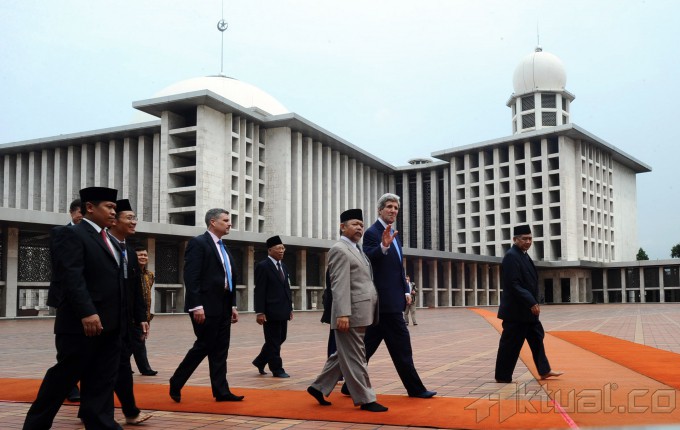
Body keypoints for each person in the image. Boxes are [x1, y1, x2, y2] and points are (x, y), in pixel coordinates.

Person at [24, 187, 124, 430]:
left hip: (110, 324)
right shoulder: (70, 234)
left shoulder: (110, 239)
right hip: (82, 325)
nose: (114, 212)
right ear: (90, 207)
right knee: (63, 377)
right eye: (109, 207)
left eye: (115, 207)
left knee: (101, 379)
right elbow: (71, 277)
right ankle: (35, 425)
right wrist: (86, 312)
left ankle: (101, 425)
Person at [352, 193, 436, 398]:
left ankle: (345, 383)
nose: (393, 210)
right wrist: (383, 246)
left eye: (396, 208)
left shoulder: (393, 233)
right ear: (380, 209)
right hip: (385, 302)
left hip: (392, 301)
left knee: (365, 349)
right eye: (389, 206)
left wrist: (406, 290)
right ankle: (416, 389)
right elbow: (367, 259)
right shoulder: (373, 232)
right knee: (402, 347)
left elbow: (398, 268)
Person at [307, 209, 387, 413]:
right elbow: (339, 284)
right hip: (350, 314)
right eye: (354, 224)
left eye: (361, 224)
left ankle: (319, 387)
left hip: (361, 311)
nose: (359, 227)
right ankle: (366, 399)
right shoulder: (340, 249)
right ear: (343, 227)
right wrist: (342, 314)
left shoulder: (357, 249)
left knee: (346, 352)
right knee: (356, 356)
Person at [169, 208, 244, 403]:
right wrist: (196, 306)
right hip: (205, 306)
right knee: (204, 345)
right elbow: (191, 276)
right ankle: (176, 381)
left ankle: (221, 391)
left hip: (224, 306)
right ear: (213, 222)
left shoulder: (223, 246)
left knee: (221, 349)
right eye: (226, 220)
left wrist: (232, 305)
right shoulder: (198, 243)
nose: (230, 224)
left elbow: (229, 278)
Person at [494, 224, 564, 383]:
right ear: (515, 239)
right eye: (524, 239)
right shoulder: (511, 256)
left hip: (527, 312)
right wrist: (531, 302)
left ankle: (544, 370)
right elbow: (513, 284)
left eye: (530, 238)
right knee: (511, 344)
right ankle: (502, 376)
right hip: (516, 312)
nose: (528, 242)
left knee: (537, 338)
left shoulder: (524, 255)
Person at [106, 199, 152, 425]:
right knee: (92, 369)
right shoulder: (102, 245)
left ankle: (131, 411)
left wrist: (141, 318)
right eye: (129, 218)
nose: (134, 222)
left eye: (135, 218)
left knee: (123, 366)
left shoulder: (130, 252)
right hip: (103, 320)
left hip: (125, 322)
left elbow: (135, 290)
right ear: (114, 221)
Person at [46, 198, 82, 403]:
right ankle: (69, 387)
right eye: (79, 213)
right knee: (67, 344)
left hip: (89, 298)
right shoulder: (61, 233)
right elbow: (62, 267)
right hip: (66, 297)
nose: (81, 217)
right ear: (71, 213)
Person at [252, 235, 293, 378]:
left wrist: (290, 308)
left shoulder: (284, 266)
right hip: (270, 311)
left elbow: (287, 288)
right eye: (278, 248)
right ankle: (277, 369)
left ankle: (260, 361)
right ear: (270, 250)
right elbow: (259, 290)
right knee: (274, 341)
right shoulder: (263, 266)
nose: (282, 251)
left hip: (283, 310)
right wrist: (260, 312)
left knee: (281, 338)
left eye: (283, 248)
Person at [132, 245, 158, 376]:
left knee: (135, 341)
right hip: (132, 314)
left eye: (145, 255)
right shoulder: (131, 273)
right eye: (140, 255)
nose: (143, 257)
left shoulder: (150, 275)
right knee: (138, 341)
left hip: (144, 314)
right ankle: (145, 368)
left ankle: (124, 366)